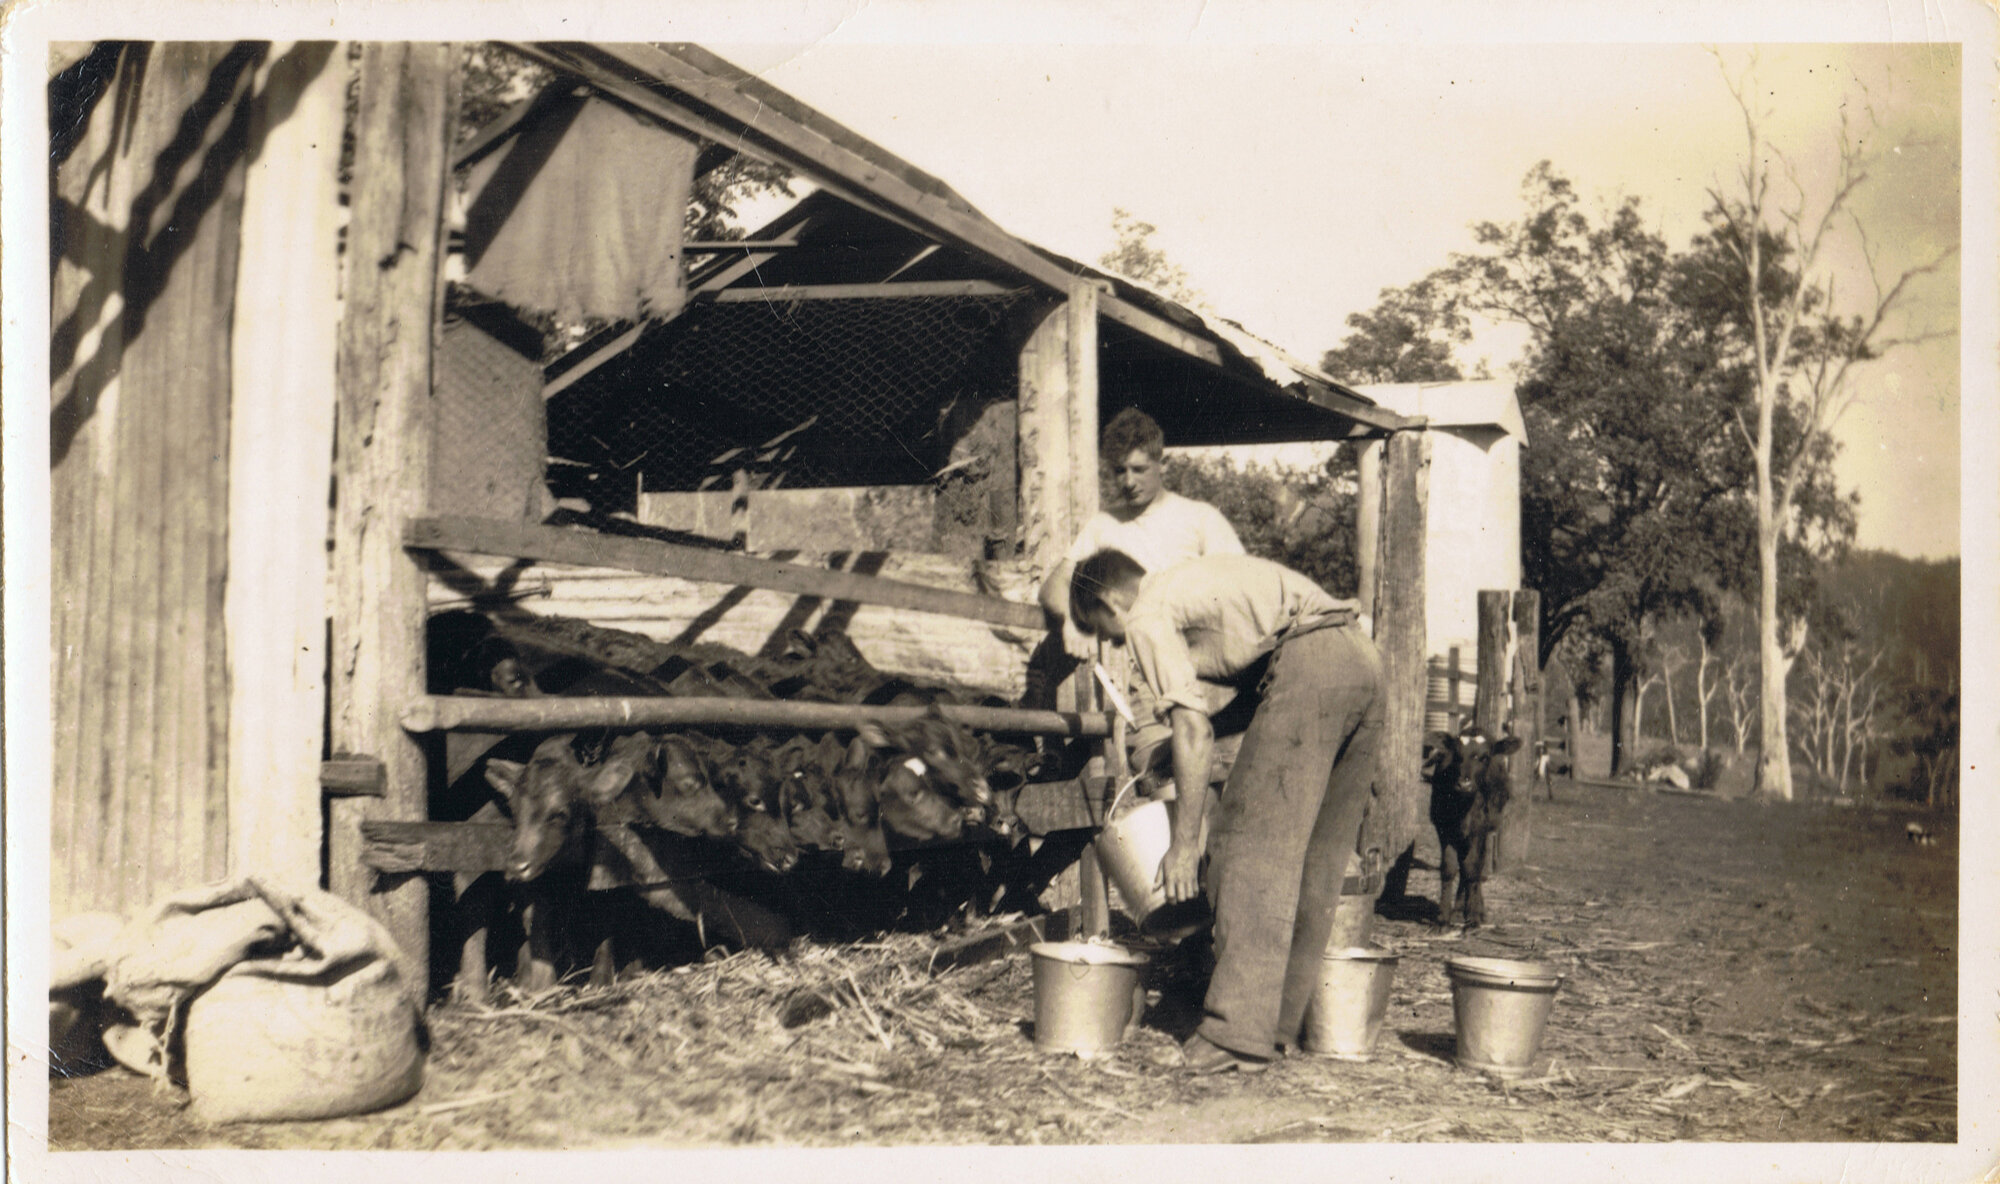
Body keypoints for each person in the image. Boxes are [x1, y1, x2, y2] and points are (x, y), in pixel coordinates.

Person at [1069, 548, 1382, 1074]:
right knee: (1315, 858)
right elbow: (1259, 694)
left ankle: (1235, 1032)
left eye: (1103, 629)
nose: (1115, 643)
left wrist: (1186, 845)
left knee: (1242, 846)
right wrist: (1179, 749)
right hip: (1364, 662)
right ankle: (1278, 1025)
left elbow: (1196, 727)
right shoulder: (1192, 580)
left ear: (1107, 600)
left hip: (1314, 665)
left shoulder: (1145, 611)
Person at [1038, 407, 1242, 662]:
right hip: (1124, 667)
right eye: (1120, 471)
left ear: (1162, 465)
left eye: (1139, 469)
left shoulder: (1201, 518)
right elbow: (1053, 585)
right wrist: (1071, 622)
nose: (1129, 482)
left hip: (1189, 661)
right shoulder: (1103, 524)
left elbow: (1236, 592)